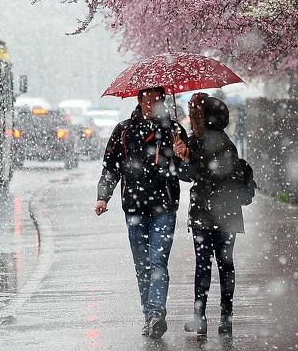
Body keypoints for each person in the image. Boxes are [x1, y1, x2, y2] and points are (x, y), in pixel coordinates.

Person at [94, 87, 187, 339]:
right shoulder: (124, 131)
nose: (151, 105)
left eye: (156, 100)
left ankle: (157, 312)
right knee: (142, 265)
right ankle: (149, 315)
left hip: (164, 208)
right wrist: (103, 196)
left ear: (163, 101)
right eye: (147, 100)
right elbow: (111, 167)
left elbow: (187, 174)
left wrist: (183, 155)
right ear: (139, 100)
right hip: (134, 208)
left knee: (158, 262)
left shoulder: (174, 131)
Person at [173, 93, 244, 337]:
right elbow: (194, 173)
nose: (191, 116)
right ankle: (226, 317)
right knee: (226, 264)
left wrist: (186, 158)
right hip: (227, 212)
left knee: (203, 265)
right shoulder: (226, 141)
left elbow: (196, 175)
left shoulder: (203, 141)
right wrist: (184, 156)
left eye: (194, 111)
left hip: (206, 213)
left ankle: (200, 316)